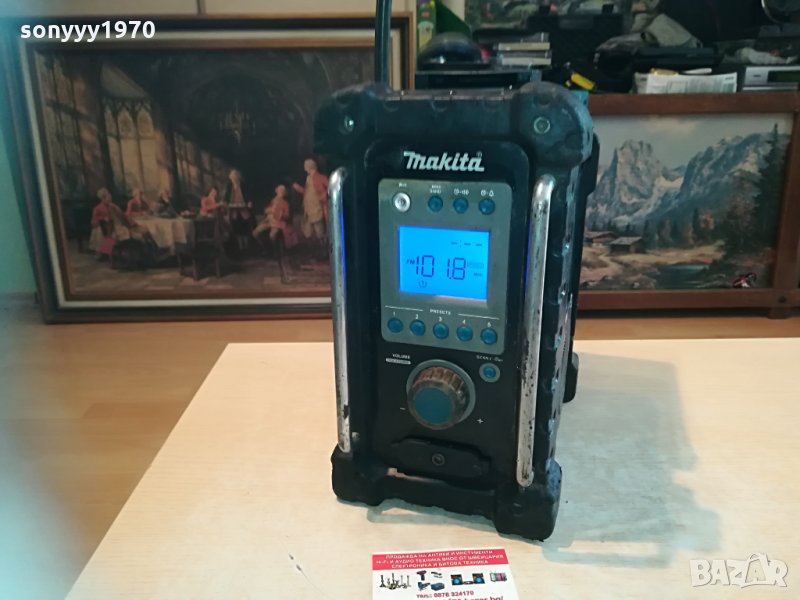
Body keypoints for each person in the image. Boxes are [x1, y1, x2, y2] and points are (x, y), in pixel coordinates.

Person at [292, 158, 328, 255]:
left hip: (316, 207)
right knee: (308, 230)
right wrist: (298, 188)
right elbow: (308, 193)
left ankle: (323, 250)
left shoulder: (320, 177)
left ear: (309, 167)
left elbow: (329, 190)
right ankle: (312, 251)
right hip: (308, 208)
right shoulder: (309, 178)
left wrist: (322, 197)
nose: (304, 168)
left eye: (305, 166)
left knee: (319, 229)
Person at [253, 185, 290, 253]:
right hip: (269, 221)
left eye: (283, 191)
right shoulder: (273, 201)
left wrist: (282, 214)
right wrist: (268, 210)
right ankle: (265, 248)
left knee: (272, 235)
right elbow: (266, 211)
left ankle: (274, 252)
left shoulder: (285, 203)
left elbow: (287, 215)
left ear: (285, 193)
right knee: (255, 233)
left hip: (278, 223)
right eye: (280, 191)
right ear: (277, 191)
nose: (281, 193)